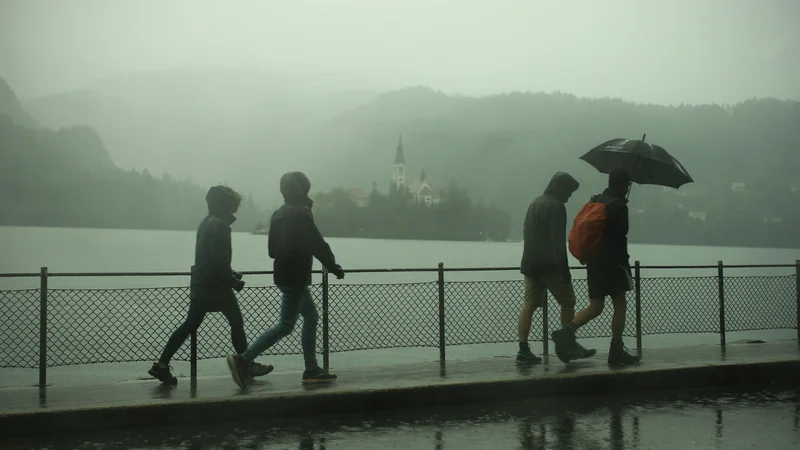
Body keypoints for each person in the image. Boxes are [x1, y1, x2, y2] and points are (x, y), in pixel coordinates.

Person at [226, 172, 344, 387]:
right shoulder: (302, 213)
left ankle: (311, 369)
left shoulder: (277, 213)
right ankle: (242, 360)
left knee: (311, 317)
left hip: (282, 273)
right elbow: (316, 242)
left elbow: (272, 251)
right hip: (297, 276)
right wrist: (332, 265)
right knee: (286, 325)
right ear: (303, 189)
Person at [149, 185, 273, 384]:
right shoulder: (220, 225)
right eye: (232, 202)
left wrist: (230, 273)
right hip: (216, 287)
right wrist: (232, 281)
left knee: (190, 325)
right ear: (226, 204)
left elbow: (210, 257)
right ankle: (245, 365)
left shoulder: (207, 222)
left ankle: (161, 364)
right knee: (236, 323)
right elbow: (218, 260)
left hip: (202, 284)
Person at [551, 169, 640, 366]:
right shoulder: (618, 206)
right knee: (620, 304)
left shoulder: (596, 200)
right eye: (626, 186)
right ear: (624, 186)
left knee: (596, 305)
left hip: (593, 261)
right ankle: (616, 351)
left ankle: (567, 331)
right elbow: (621, 236)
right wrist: (624, 264)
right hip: (614, 262)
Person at [517, 172, 596, 364]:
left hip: (529, 263)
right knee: (568, 301)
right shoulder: (556, 207)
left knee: (529, 305)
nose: (569, 196)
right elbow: (557, 244)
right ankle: (566, 345)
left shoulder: (535, 203)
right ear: (560, 189)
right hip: (550, 266)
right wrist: (564, 271)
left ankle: (523, 350)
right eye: (569, 192)